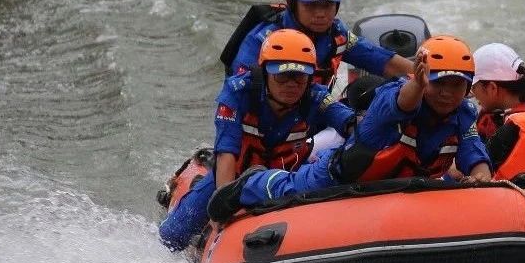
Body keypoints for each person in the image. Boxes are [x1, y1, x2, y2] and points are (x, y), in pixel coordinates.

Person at [208, 35, 492, 218]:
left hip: (411, 190)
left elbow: (473, 151)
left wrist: (481, 176)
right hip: (344, 176)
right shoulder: (393, 95)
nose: (447, 93)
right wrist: (417, 84)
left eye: (457, 85)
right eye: (439, 83)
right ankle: (252, 182)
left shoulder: (464, 112)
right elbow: (404, 103)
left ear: (468, 87)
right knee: (292, 189)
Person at [158, 29, 356, 250]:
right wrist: (224, 202)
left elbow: (351, 124)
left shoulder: (316, 97)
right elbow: (226, 152)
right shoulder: (237, 92)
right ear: (265, 72)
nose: (291, 85)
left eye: (299, 77)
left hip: (285, 181)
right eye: (282, 76)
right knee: (172, 237)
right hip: (234, 177)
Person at [225, 0, 414, 84]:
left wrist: (430, 77)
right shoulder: (260, 41)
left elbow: (386, 63)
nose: (321, 14)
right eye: (311, 5)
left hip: (316, 116)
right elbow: (237, 95)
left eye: (328, 6)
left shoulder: (337, 34)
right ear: (293, 4)